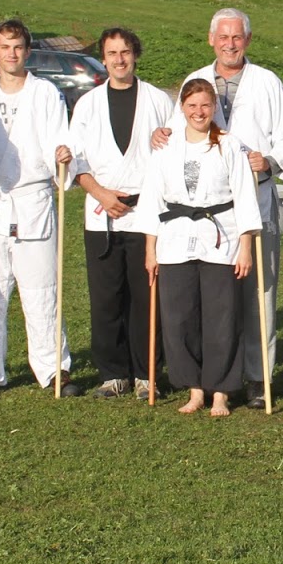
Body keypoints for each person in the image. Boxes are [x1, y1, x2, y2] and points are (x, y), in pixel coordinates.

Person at [155, 8, 283, 408]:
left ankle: (256, 377)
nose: (230, 44)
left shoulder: (267, 81)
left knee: (258, 293)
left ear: (248, 40)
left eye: (237, 37)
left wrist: (268, 160)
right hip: (206, 211)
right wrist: (161, 133)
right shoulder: (195, 80)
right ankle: (208, 378)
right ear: (211, 39)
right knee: (209, 300)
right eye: (224, 37)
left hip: (256, 198)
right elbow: (175, 131)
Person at [141, 79, 261, 417]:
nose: (199, 112)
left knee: (221, 317)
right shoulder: (166, 147)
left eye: (205, 105)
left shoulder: (229, 144)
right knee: (180, 318)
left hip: (220, 239)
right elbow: (151, 198)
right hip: (175, 239)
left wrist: (246, 246)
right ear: (182, 108)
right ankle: (194, 388)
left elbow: (244, 196)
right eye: (192, 106)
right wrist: (150, 249)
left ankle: (221, 391)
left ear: (214, 108)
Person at [0, 20, 79, 397]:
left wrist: (62, 157)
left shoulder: (46, 93)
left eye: (17, 47)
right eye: (4, 47)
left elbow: (59, 140)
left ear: (27, 51)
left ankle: (53, 369)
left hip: (33, 201)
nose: (11, 54)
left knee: (42, 289)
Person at [69, 28, 174, 400]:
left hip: (147, 210)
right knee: (106, 296)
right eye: (112, 53)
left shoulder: (158, 100)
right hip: (102, 211)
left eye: (125, 51)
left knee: (147, 295)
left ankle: (147, 373)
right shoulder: (88, 104)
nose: (119, 59)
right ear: (104, 57)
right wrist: (99, 192)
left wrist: (167, 137)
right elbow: (75, 159)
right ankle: (113, 373)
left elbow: (175, 150)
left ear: (135, 54)